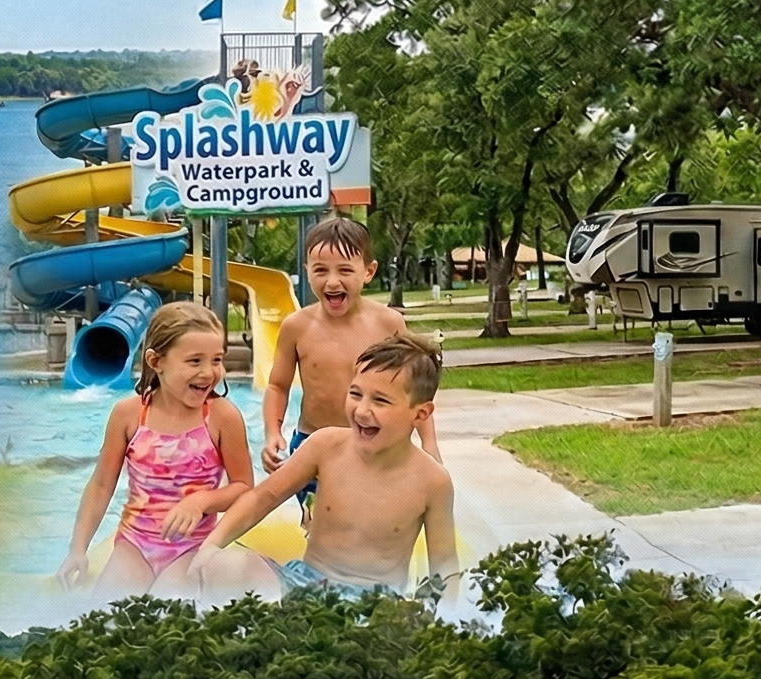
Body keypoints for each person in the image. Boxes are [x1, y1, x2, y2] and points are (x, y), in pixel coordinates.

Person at [187, 332, 459, 600]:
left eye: (380, 400)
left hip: (375, 603)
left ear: (420, 413)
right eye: (355, 394)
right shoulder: (326, 445)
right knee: (230, 566)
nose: (362, 410)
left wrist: (443, 621)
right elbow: (262, 497)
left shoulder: (432, 481)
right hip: (305, 582)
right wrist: (211, 546)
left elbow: (444, 563)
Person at [56, 302, 255, 596]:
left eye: (216, 360)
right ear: (156, 361)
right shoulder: (129, 414)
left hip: (192, 547)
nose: (209, 372)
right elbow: (101, 485)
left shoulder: (222, 417)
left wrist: (199, 501)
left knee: (166, 611)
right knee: (105, 615)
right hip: (135, 544)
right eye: (194, 361)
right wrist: (77, 549)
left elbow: (244, 487)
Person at [260, 215, 434, 516]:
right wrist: (272, 432)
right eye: (320, 270)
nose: (332, 281)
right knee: (320, 529)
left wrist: (429, 443)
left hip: (376, 442)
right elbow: (278, 386)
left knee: (373, 523)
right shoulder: (296, 327)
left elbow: (414, 389)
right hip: (313, 447)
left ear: (368, 271)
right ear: (306, 272)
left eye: (344, 270)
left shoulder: (388, 322)